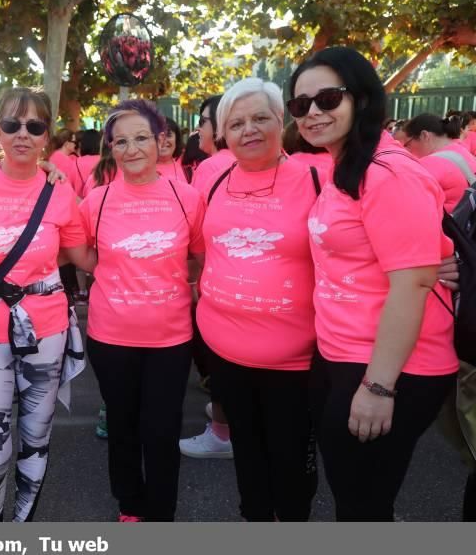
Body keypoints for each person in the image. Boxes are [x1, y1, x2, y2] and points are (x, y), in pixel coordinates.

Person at [290, 46, 458, 521]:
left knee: (362, 504)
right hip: (347, 356)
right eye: (301, 105)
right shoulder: (348, 168)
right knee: (357, 497)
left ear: (361, 99)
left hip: (391, 367)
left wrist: (379, 387)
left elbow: (413, 284)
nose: (313, 113)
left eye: (327, 98)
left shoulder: (388, 174)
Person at [0, 86, 91, 522]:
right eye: (12, 124)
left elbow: (80, 255)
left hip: (46, 330)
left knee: (36, 436)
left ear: (47, 135)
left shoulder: (59, 190)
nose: (23, 134)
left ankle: (23, 524)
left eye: (34, 126)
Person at [190, 78, 322, 521]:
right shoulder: (211, 178)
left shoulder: (318, 178)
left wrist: (439, 265)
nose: (249, 130)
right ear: (222, 134)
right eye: (237, 122)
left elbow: (360, 246)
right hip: (225, 353)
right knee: (246, 453)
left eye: (260, 118)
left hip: (296, 361)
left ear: (280, 122)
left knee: (291, 463)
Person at [79, 99, 205, 521]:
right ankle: (130, 504)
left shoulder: (187, 197)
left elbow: (198, 257)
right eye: (120, 142)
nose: (131, 149)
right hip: (110, 335)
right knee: (123, 424)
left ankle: (161, 513)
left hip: (170, 337)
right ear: (110, 148)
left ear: (161, 141)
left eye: (140, 139)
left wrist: (164, 278)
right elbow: (84, 255)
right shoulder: (95, 201)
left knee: (162, 430)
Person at [179, 94, 234, 459]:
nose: (199, 128)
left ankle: (222, 432)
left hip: (219, 285)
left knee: (224, 361)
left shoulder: (212, 168)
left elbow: (192, 231)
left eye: (203, 120)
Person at [401, 113, 476, 211]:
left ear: (424, 135)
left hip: (448, 223)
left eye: (407, 144)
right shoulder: (462, 151)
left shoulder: (429, 164)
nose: (407, 150)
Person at [67, 129, 101, 197]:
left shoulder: (75, 163)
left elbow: (69, 188)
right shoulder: (106, 162)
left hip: (80, 204)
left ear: (83, 144)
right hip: (102, 204)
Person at [155, 117, 187, 183]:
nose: (163, 140)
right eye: (158, 135)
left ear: (176, 139)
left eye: (168, 135)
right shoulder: (142, 170)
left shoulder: (187, 169)